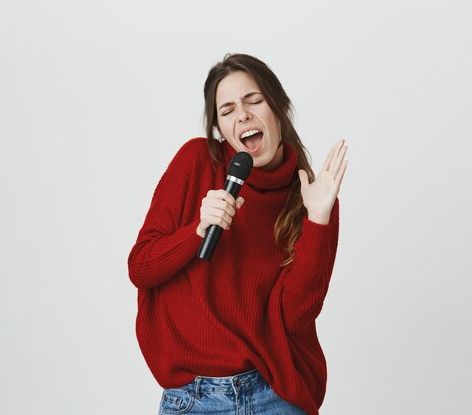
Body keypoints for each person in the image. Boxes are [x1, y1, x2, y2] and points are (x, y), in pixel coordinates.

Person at [128, 53, 348, 415]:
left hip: (274, 395)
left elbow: (294, 317)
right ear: (220, 128)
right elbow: (140, 267)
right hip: (194, 399)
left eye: (254, 100)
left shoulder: (312, 197)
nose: (242, 114)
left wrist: (318, 219)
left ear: (280, 107)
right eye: (227, 110)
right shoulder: (196, 161)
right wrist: (197, 231)